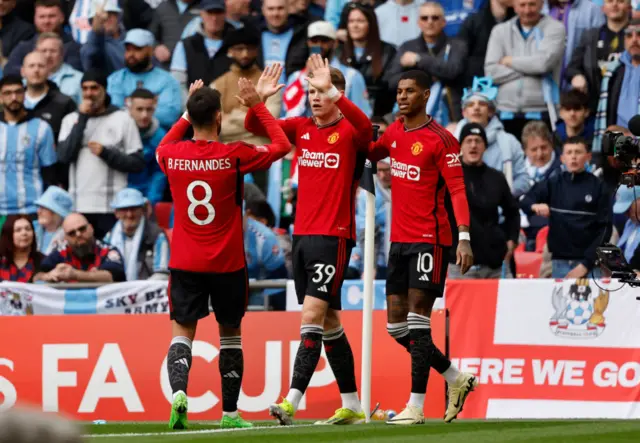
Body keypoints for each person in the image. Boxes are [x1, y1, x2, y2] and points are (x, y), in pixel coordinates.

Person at [156, 70, 292, 430]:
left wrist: (186, 112)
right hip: (228, 263)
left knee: (182, 333)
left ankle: (180, 395)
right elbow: (282, 146)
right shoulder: (234, 154)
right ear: (219, 117)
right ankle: (230, 414)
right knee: (230, 335)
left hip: (186, 261)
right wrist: (258, 106)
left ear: (192, 117)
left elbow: (161, 147)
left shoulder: (171, 154)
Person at [245, 55, 373, 425]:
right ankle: (351, 402)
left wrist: (337, 92)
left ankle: (290, 401)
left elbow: (366, 130)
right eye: (312, 92)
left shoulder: (350, 131)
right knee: (329, 321)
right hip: (301, 237)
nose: (315, 98)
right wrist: (263, 98)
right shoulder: (301, 127)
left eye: (322, 92)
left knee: (311, 316)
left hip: (333, 237)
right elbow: (256, 124)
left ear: (338, 93)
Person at [365, 69, 477, 425]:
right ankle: (455, 378)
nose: (401, 97)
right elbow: (370, 151)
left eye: (409, 91)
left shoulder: (442, 140)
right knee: (396, 329)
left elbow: (457, 190)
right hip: (398, 242)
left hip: (430, 240)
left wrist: (464, 236)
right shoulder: (395, 131)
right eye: (398, 91)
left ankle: (416, 406)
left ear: (425, 95)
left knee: (417, 322)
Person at [57, 71, 145, 239]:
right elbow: (64, 156)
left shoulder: (123, 119)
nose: (89, 93)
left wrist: (106, 153)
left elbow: (137, 163)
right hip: (79, 204)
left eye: (94, 88)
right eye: (85, 89)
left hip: (111, 206)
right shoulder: (70, 120)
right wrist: (82, 118)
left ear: (104, 89)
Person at [520, 137, 611, 278]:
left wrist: (586, 264)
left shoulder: (599, 187)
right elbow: (525, 201)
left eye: (578, 152)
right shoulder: (553, 183)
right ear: (562, 158)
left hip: (590, 266)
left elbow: (605, 230)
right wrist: (535, 206)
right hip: (559, 263)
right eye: (569, 153)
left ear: (588, 157)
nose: (573, 157)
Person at [484, 0, 566, 140]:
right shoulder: (500, 31)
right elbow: (491, 72)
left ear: (541, 4)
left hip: (542, 111)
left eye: (532, 4)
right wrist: (530, 66)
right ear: (514, 6)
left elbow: (543, 64)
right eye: (522, 5)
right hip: (505, 111)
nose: (527, 10)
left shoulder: (555, 28)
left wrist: (510, 61)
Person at [447, 123, 520, 279]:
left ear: (485, 147)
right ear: (460, 146)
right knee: (462, 305)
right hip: (460, 266)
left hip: (495, 265)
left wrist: (511, 241)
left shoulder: (497, 177)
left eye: (478, 141)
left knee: (505, 304)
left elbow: (512, 211)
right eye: (469, 141)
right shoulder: (448, 176)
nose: (473, 145)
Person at [0, 75, 57, 217]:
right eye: (7, 93)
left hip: (31, 210)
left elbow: (50, 172)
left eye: (18, 92)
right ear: (0, 97)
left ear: (24, 94)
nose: (13, 97)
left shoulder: (41, 128)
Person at [33, 213, 126, 283]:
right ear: (65, 238)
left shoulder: (108, 250)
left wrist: (75, 275)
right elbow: (36, 275)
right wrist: (47, 276)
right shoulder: (60, 252)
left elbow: (112, 276)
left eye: (82, 229)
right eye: (72, 233)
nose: (78, 234)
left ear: (91, 228)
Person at [104, 188, 170, 281]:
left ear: (142, 210)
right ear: (116, 213)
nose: (129, 215)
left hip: (147, 291)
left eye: (133, 209)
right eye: (124, 209)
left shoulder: (157, 236)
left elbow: (163, 273)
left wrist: (138, 291)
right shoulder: (109, 238)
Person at [125, 88, 167, 206]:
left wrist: (151, 200)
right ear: (129, 108)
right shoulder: (118, 130)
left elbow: (159, 173)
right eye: (139, 109)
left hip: (144, 195)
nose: (144, 115)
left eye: (149, 109)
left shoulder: (160, 136)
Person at [36, 32, 83, 104]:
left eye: (53, 51)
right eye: (44, 51)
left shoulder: (80, 79)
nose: (48, 55)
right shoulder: (28, 81)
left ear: (62, 53)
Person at [0, 215, 43, 282]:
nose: (24, 233)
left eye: (28, 229)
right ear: (8, 235)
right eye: (18, 230)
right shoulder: (2, 261)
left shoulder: (44, 261)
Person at [33, 185, 73, 254]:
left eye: (43, 208)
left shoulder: (69, 237)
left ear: (56, 212)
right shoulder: (31, 229)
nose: (38, 211)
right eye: (39, 207)